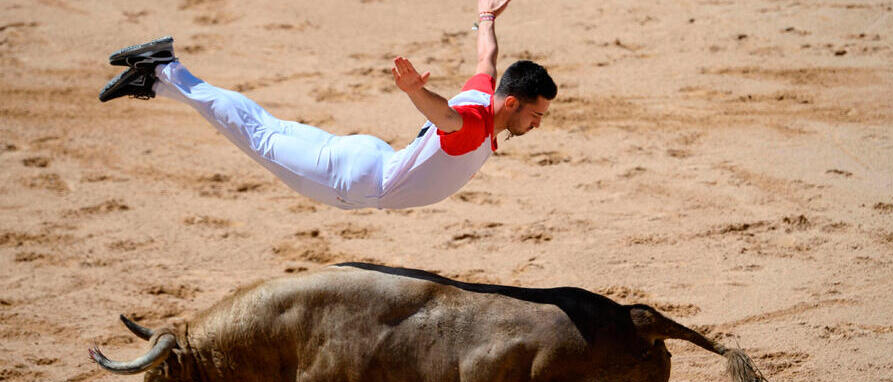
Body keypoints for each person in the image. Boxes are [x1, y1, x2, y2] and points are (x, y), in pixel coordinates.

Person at [98, 0, 556, 210]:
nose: (536, 125)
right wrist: (416, 91)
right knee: (255, 133)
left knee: (264, 127)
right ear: (511, 104)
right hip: (353, 180)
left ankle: (154, 80)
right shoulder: (475, 122)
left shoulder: (486, 90)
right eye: (535, 115)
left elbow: (486, 55)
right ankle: (163, 70)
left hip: (368, 159)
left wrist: (484, 17)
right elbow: (447, 118)